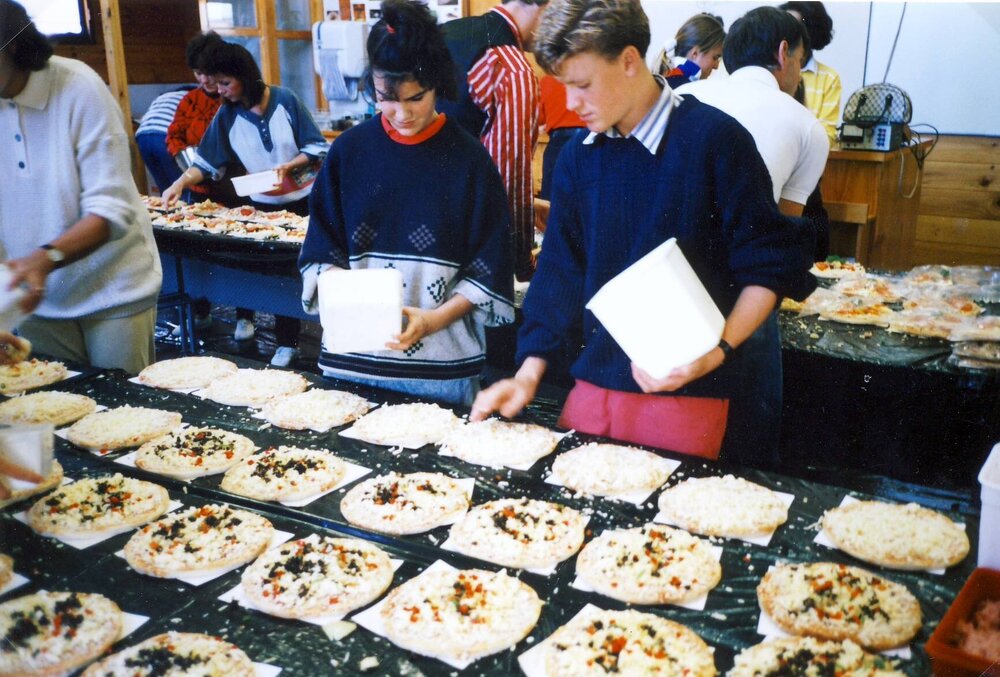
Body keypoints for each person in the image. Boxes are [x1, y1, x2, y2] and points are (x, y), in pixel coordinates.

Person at [471, 0, 815, 459]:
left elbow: (766, 267)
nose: (570, 104)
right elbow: (560, 274)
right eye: (562, 86)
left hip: (691, 395)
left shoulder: (714, 141)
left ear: (629, 60)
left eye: (583, 85)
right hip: (595, 386)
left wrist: (718, 353)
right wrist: (527, 375)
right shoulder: (579, 155)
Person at [300, 0, 514, 407]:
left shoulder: (470, 161)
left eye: (415, 98)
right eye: (385, 98)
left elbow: (490, 267)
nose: (400, 113)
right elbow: (321, 248)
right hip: (352, 370)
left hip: (441, 375)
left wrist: (434, 319)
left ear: (438, 83)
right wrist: (341, 288)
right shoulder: (348, 153)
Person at [674, 6, 828, 469]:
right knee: (750, 434)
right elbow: (777, 233)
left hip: (669, 279)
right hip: (744, 291)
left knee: (671, 425)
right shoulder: (806, 125)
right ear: (784, 54)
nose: (798, 72)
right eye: (800, 61)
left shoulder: (682, 93)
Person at [0, 0, 162, 374]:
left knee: (123, 418)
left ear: (11, 45)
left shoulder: (77, 87)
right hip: (33, 297)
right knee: (53, 415)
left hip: (112, 291)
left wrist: (44, 259)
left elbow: (111, 209)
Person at [161, 41, 329, 367]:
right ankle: (250, 322)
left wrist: (290, 166)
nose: (220, 91)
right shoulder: (227, 115)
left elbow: (316, 147)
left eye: (225, 82)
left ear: (244, 76)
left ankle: (288, 342)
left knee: (291, 276)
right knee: (257, 273)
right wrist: (180, 182)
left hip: (301, 202)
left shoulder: (285, 101)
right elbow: (208, 162)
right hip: (260, 204)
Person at [438, 0, 548, 281]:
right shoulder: (512, 68)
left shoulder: (447, 31)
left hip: (418, 225)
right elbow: (508, 178)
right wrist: (523, 261)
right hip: (467, 246)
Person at [165, 30, 226, 335]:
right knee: (197, 259)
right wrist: (186, 167)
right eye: (198, 73)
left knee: (234, 260)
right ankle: (200, 314)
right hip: (197, 190)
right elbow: (173, 136)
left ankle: (245, 317)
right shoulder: (190, 101)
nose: (204, 80)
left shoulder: (232, 100)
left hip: (231, 191)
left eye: (209, 73)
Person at [780, 1, 841, 145]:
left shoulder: (829, 78)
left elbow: (827, 136)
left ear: (811, 31)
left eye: (794, 26)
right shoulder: (770, 71)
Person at [135, 87, 192, 194]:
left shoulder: (161, 97)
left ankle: (166, 206)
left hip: (142, 135)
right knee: (180, 184)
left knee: (163, 184)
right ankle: (185, 207)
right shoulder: (191, 97)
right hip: (164, 134)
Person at [537, 75, 585, 201]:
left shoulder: (547, 80)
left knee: (552, 200)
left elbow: (539, 118)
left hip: (558, 143)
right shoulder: (587, 75)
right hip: (590, 140)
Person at [651, 13, 725, 89]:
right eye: (715, 58)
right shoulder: (684, 90)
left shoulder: (665, 81)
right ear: (695, 54)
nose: (716, 66)